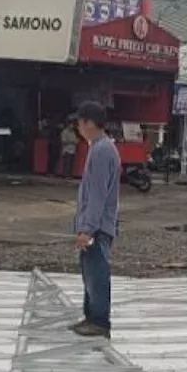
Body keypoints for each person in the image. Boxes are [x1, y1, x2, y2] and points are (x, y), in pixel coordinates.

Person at [71, 100, 120, 338]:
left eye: (80, 123)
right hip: (96, 225)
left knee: (97, 272)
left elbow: (98, 194)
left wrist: (87, 228)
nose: (78, 128)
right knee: (89, 271)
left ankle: (99, 321)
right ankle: (91, 317)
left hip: (98, 226)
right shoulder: (100, 147)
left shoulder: (102, 150)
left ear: (89, 123)